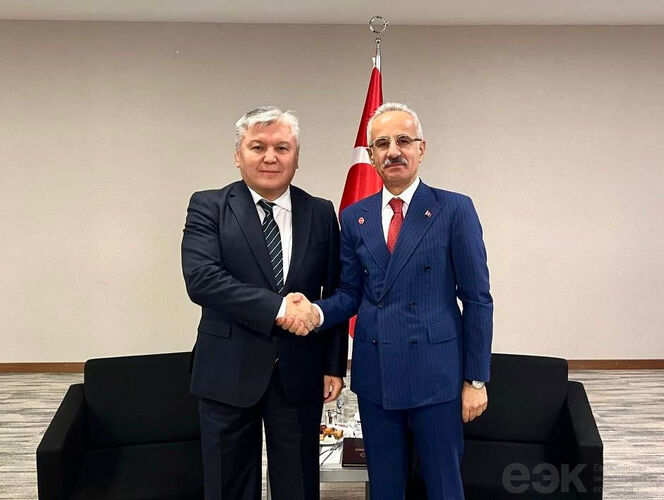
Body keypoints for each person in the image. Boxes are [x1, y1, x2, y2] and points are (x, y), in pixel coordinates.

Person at [280, 102, 493, 499]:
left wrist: (476, 379)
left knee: (444, 486)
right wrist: (316, 311)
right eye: (382, 143)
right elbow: (350, 294)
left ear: (421, 148)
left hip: (437, 375)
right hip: (376, 375)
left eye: (403, 141)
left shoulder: (454, 209)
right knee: (384, 486)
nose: (393, 151)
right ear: (372, 155)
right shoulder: (354, 216)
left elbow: (478, 300)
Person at [181, 106, 348, 500]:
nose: (270, 157)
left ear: (296, 157)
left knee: (299, 485)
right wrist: (280, 309)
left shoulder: (321, 212)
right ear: (238, 155)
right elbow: (203, 280)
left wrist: (333, 365)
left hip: (300, 372)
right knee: (228, 486)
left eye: (282, 148)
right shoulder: (209, 206)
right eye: (258, 147)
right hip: (227, 371)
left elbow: (335, 290)